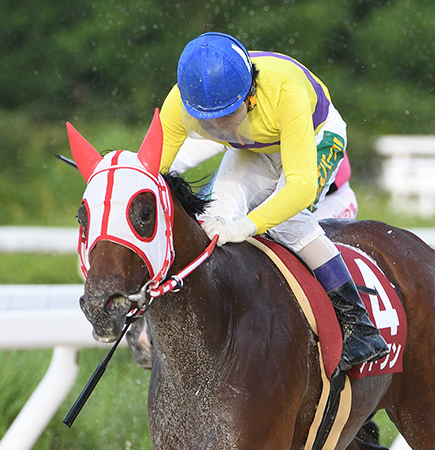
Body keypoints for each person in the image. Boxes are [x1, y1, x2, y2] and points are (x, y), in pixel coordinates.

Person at [158, 32, 388, 373]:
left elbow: (299, 188)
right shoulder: (179, 103)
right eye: (208, 118)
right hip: (257, 148)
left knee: (287, 221)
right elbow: (154, 170)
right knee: (215, 214)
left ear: (249, 92)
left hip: (316, 134)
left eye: (226, 113)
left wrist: (245, 226)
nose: (218, 126)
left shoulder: (285, 92)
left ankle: (359, 326)